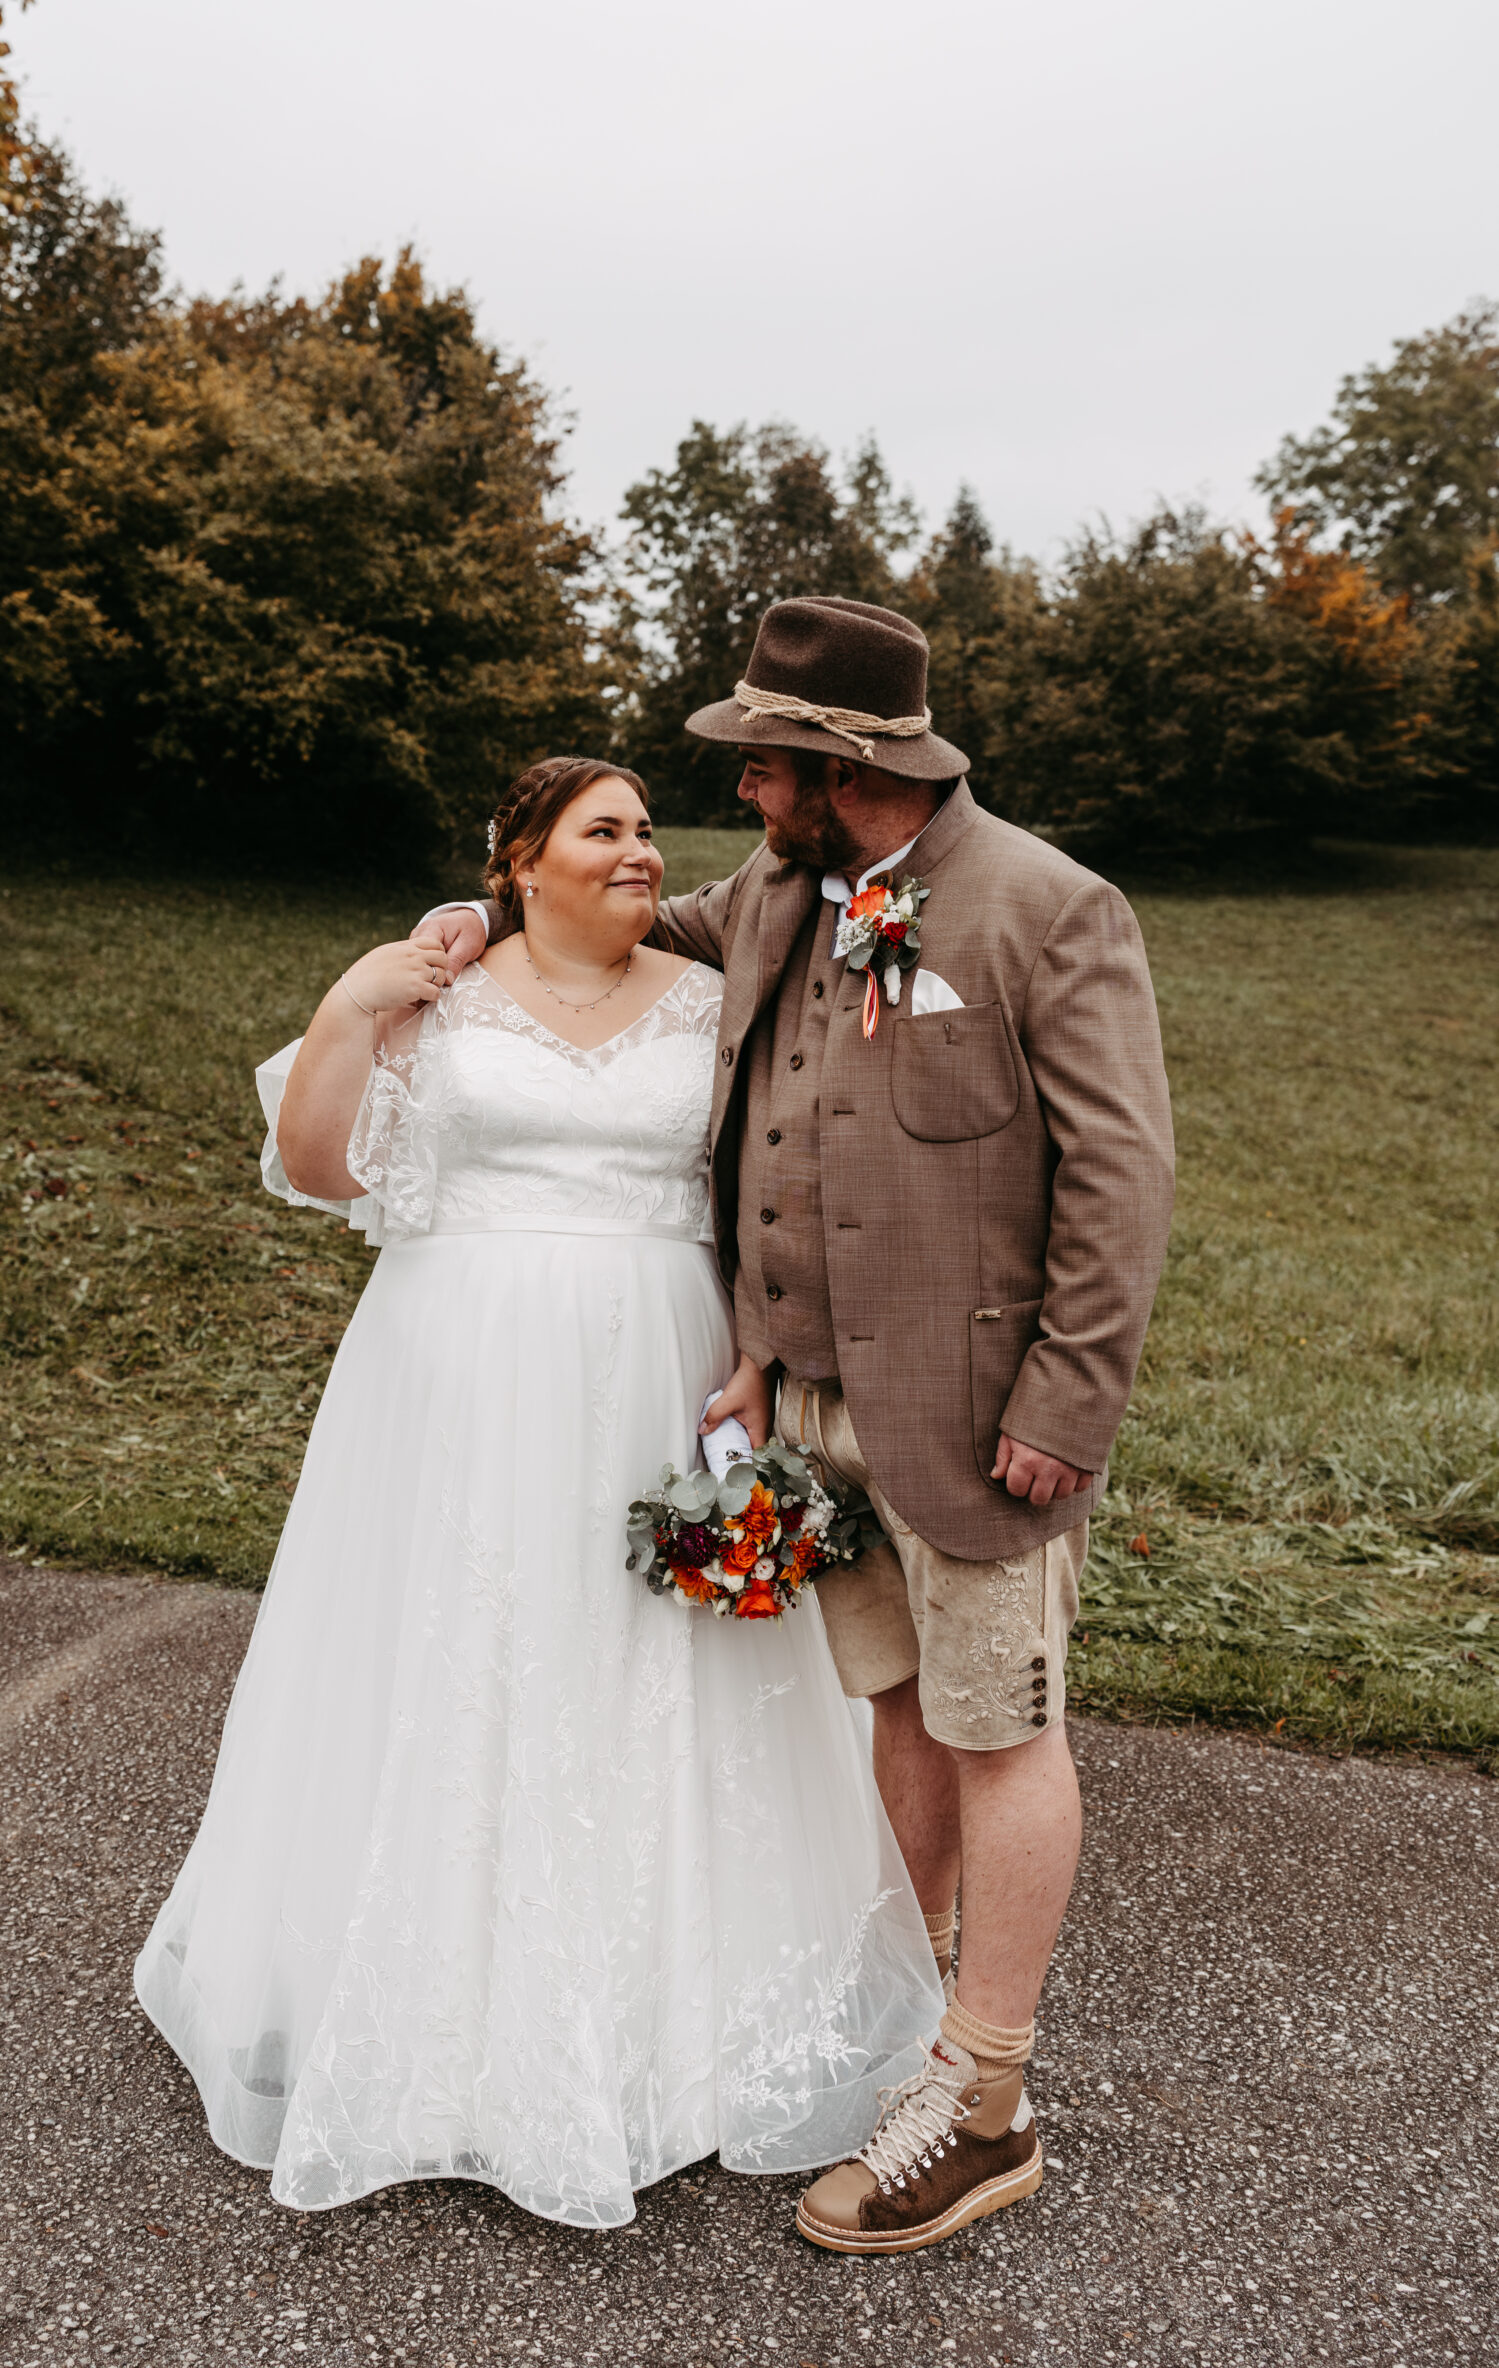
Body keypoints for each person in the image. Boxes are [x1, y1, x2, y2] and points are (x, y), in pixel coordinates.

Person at [416, 596, 1175, 2255]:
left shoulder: (1050, 908)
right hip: (816, 1406)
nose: (741, 793)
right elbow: (613, 922)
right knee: (896, 1709)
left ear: (842, 765)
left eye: (762, 764)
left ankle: (985, 2106)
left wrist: (1067, 1401)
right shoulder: (768, 894)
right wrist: (465, 918)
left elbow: (1122, 1182)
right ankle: (895, 2019)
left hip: (984, 1419)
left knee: (1001, 1730)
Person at [134, 753, 943, 2230]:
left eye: (647, 829)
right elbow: (318, 1167)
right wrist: (352, 1005)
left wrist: (759, 1357)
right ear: (520, 861)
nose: (641, 851)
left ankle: (665, 2023)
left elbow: (768, 1194)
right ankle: (424, 2004)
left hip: (661, 1368)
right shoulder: (435, 992)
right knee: (461, 1641)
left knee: (647, 1663)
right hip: (458, 1372)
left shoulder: (712, 1003)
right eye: (604, 829)